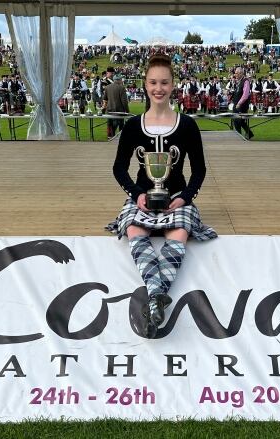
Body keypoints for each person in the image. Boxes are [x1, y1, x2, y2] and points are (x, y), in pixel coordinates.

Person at [106, 53, 217, 338]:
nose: (159, 88)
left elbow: (200, 170)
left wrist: (185, 198)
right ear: (145, 85)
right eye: (153, 82)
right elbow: (119, 168)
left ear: (173, 85)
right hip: (143, 197)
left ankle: (155, 298)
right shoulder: (133, 125)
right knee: (133, 228)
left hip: (178, 198)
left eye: (164, 83)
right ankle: (157, 297)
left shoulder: (188, 124)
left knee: (179, 232)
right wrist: (137, 193)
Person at [103, 73, 129, 139]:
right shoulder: (122, 88)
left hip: (109, 110)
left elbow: (105, 99)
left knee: (110, 125)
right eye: (121, 79)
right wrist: (127, 111)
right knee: (120, 126)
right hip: (119, 111)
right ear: (119, 80)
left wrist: (103, 108)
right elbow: (124, 102)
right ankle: (120, 138)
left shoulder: (107, 87)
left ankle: (110, 137)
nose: (121, 81)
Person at [230, 67, 253, 139]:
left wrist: (239, 104)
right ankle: (249, 134)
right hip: (237, 105)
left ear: (241, 73)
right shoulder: (238, 81)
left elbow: (245, 95)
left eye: (236, 73)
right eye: (235, 73)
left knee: (238, 121)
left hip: (241, 106)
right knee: (239, 121)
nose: (235, 75)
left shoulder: (246, 81)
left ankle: (239, 138)